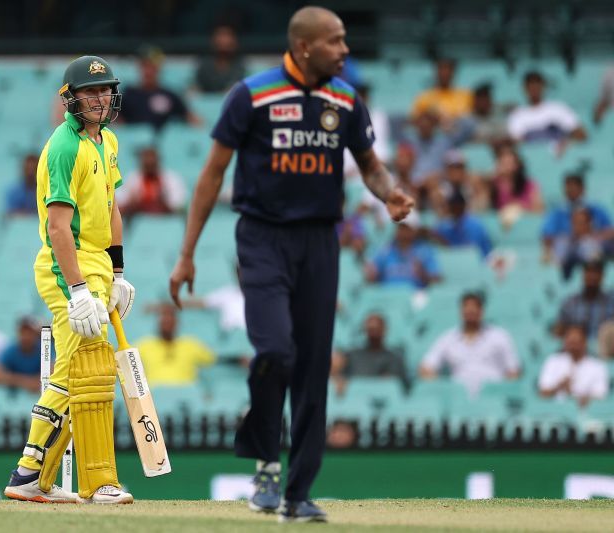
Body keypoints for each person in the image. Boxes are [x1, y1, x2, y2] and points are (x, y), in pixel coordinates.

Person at [169, 6, 414, 522]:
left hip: (321, 242)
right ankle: (264, 457)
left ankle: (298, 495)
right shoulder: (251, 95)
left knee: (312, 370)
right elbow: (212, 174)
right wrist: (187, 252)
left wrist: (390, 194)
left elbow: (370, 165)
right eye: (336, 41)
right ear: (305, 47)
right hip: (262, 239)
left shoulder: (345, 99)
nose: (346, 50)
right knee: (276, 350)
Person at [3, 56, 137, 505]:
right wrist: (78, 289)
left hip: (96, 263)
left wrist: (117, 272)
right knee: (85, 371)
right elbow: (59, 228)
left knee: (82, 370)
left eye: (104, 91)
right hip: (67, 266)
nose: (99, 100)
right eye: (89, 92)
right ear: (70, 99)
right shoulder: (63, 147)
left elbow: (112, 208)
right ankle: (81, 480)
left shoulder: (108, 141)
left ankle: (34, 475)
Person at [420, 292, 520, 397]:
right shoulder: (448, 338)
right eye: (467, 307)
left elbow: (513, 370)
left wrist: (502, 392)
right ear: (461, 311)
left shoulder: (499, 336)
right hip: (458, 399)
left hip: (493, 398)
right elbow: (426, 368)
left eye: (475, 307)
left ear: (482, 311)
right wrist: (443, 387)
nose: (471, 311)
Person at [120, 48, 201, 130]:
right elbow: (116, 121)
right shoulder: (128, 94)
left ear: (159, 69)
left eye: (152, 67)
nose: (148, 72)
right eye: (145, 66)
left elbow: (191, 119)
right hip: (134, 139)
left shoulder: (169, 95)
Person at [136, 302, 215, 385]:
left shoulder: (191, 344)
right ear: (158, 323)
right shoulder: (144, 345)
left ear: (177, 322)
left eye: (170, 317)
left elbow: (213, 360)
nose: (167, 321)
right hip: (153, 395)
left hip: (186, 395)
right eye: (164, 318)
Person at [542, 173, 612, 262]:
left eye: (573, 187)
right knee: (561, 245)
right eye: (567, 187)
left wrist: (594, 236)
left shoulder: (596, 208)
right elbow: (547, 235)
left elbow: (610, 230)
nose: (570, 190)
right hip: (566, 244)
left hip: (591, 242)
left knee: (589, 246)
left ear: (582, 188)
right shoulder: (557, 212)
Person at [331, 314, 408, 395]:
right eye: (371, 329)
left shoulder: (394, 358)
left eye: (377, 329)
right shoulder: (352, 356)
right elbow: (338, 374)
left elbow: (391, 385)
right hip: (353, 400)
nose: (374, 333)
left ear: (384, 330)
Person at [507, 71, 587, 145]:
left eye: (537, 86)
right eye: (531, 87)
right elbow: (517, 143)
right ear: (524, 89)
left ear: (544, 87)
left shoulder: (559, 109)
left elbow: (581, 135)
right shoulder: (517, 115)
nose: (534, 90)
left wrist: (566, 144)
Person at [365, 212, 442, 289]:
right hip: (387, 296)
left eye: (407, 228)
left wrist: (423, 274)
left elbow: (436, 279)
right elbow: (372, 277)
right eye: (401, 227)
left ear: (415, 230)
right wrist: (372, 275)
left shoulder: (424, 251)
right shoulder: (385, 251)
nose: (403, 232)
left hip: (414, 296)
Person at [539, 325, 609, 407]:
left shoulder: (598, 366)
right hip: (555, 412)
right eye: (570, 342)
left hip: (585, 414)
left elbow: (600, 396)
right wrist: (560, 386)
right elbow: (543, 393)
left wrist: (573, 394)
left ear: (584, 342)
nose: (572, 347)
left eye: (576, 343)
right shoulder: (553, 361)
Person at [116, 146, 187, 217]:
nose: (149, 165)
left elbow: (180, 206)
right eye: (147, 164)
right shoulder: (132, 179)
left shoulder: (171, 179)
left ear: (158, 161)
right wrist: (132, 202)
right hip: (139, 221)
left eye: (152, 164)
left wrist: (163, 202)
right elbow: (120, 204)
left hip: (166, 221)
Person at [553, 260, 614, 340]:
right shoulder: (570, 303)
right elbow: (558, 332)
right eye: (589, 272)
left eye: (596, 272)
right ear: (583, 274)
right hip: (577, 350)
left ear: (602, 276)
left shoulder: (610, 303)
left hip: (603, 350)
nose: (592, 277)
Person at [552, 208, 614, 280]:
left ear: (590, 223)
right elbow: (558, 261)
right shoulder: (563, 242)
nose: (578, 227)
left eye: (581, 223)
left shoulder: (600, 241)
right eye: (575, 223)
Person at [0, 317, 42, 394]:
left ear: (35, 334)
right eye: (23, 332)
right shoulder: (11, 350)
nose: (26, 337)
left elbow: (53, 374)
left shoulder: (44, 349)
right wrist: (26, 382)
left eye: (29, 333)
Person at [433, 191, 493, 258]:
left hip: (479, 261)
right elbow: (436, 239)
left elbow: (471, 249)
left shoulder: (474, 224)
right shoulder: (448, 224)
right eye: (450, 205)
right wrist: (441, 217)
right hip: (458, 260)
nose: (452, 208)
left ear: (462, 205)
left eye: (455, 205)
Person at [410, 58, 473, 122]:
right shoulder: (424, 97)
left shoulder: (466, 95)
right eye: (441, 69)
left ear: (453, 72)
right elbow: (414, 119)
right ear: (435, 71)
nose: (444, 73)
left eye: (448, 69)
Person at [488, 147, 543, 213]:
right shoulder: (491, 184)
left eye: (510, 163)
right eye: (503, 163)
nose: (507, 167)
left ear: (517, 165)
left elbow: (539, 209)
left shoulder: (529, 185)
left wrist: (519, 207)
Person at [194, 25, 247, 93]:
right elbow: (197, 86)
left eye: (227, 36)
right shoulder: (205, 64)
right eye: (220, 36)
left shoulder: (240, 65)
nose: (223, 40)